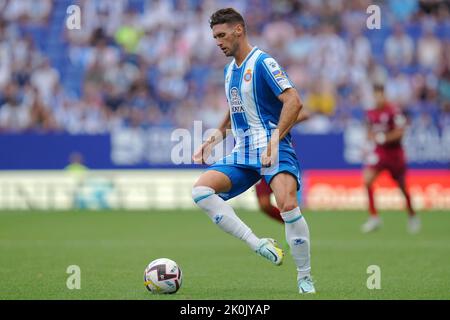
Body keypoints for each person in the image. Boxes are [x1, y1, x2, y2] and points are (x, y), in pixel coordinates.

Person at [191, 8, 315, 294]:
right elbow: (236, 107)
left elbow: (294, 101)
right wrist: (214, 137)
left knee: (287, 204)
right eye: (214, 37)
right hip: (244, 151)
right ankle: (257, 243)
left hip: (274, 147)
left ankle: (304, 277)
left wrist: (273, 140)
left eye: (222, 35)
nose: (218, 42)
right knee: (200, 192)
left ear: (239, 30)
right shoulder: (228, 70)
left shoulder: (262, 62)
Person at [361, 84, 420, 234]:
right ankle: (374, 217)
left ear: (384, 95)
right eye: (375, 95)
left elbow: (400, 132)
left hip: (395, 154)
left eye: (379, 95)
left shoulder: (393, 111)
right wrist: (370, 140)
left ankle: (412, 215)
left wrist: (383, 137)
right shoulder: (371, 112)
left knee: (402, 187)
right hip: (380, 153)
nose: (377, 98)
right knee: (367, 180)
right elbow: (369, 131)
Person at [255, 109, 310, 224]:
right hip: (259, 155)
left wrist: (279, 125)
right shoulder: (253, 101)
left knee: (287, 203)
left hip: (281, 153)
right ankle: (294, 225)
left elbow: (304, 113)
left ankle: (295, 231)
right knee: (264, 204)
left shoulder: (278, 95)